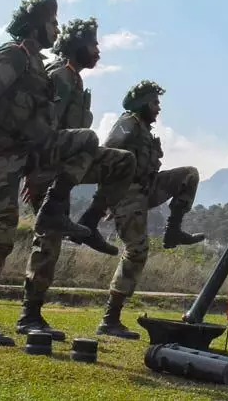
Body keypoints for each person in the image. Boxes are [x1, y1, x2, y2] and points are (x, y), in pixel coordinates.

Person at [0, 0, 128, 347]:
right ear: (36, 26)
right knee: (2, 227)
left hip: (30, 152)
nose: (57, 30)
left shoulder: (37, 66)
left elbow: (44, 123)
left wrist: (43, 172)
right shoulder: (15, 55)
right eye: (52, 23)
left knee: (91, 144)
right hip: (1, 152)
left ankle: (62, 217)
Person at [15, 16, 136, 341]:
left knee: (124, 161)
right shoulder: (58, 77)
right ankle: (30, 316)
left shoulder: (77, 82)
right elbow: (39, 129)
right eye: (93, 44)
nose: (98, 51)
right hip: (48, 169)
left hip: (67, 169)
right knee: (49, 242)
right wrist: (33, 171)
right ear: (76, 45)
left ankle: (90, 222)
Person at [91, 80, 206, 339]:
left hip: (147, 188)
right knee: (137, 251)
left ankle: (173, 231)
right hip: (126, 194)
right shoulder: (127, 123)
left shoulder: (144, 129)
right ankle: (110, 319)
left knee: (189, 175)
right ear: (142, 103)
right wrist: (104, 202)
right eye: (154, 102)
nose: (158, 108)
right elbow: (106, 158)